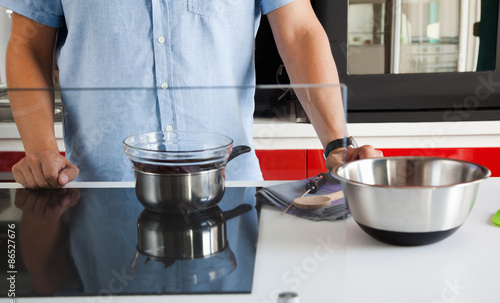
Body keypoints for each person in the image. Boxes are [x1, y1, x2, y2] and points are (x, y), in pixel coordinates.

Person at [2, 0, 382, 188]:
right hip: (102, 193)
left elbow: (299, 31)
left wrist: (337, 142)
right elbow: (27, 44)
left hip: (227, 194)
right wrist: (42, 151)